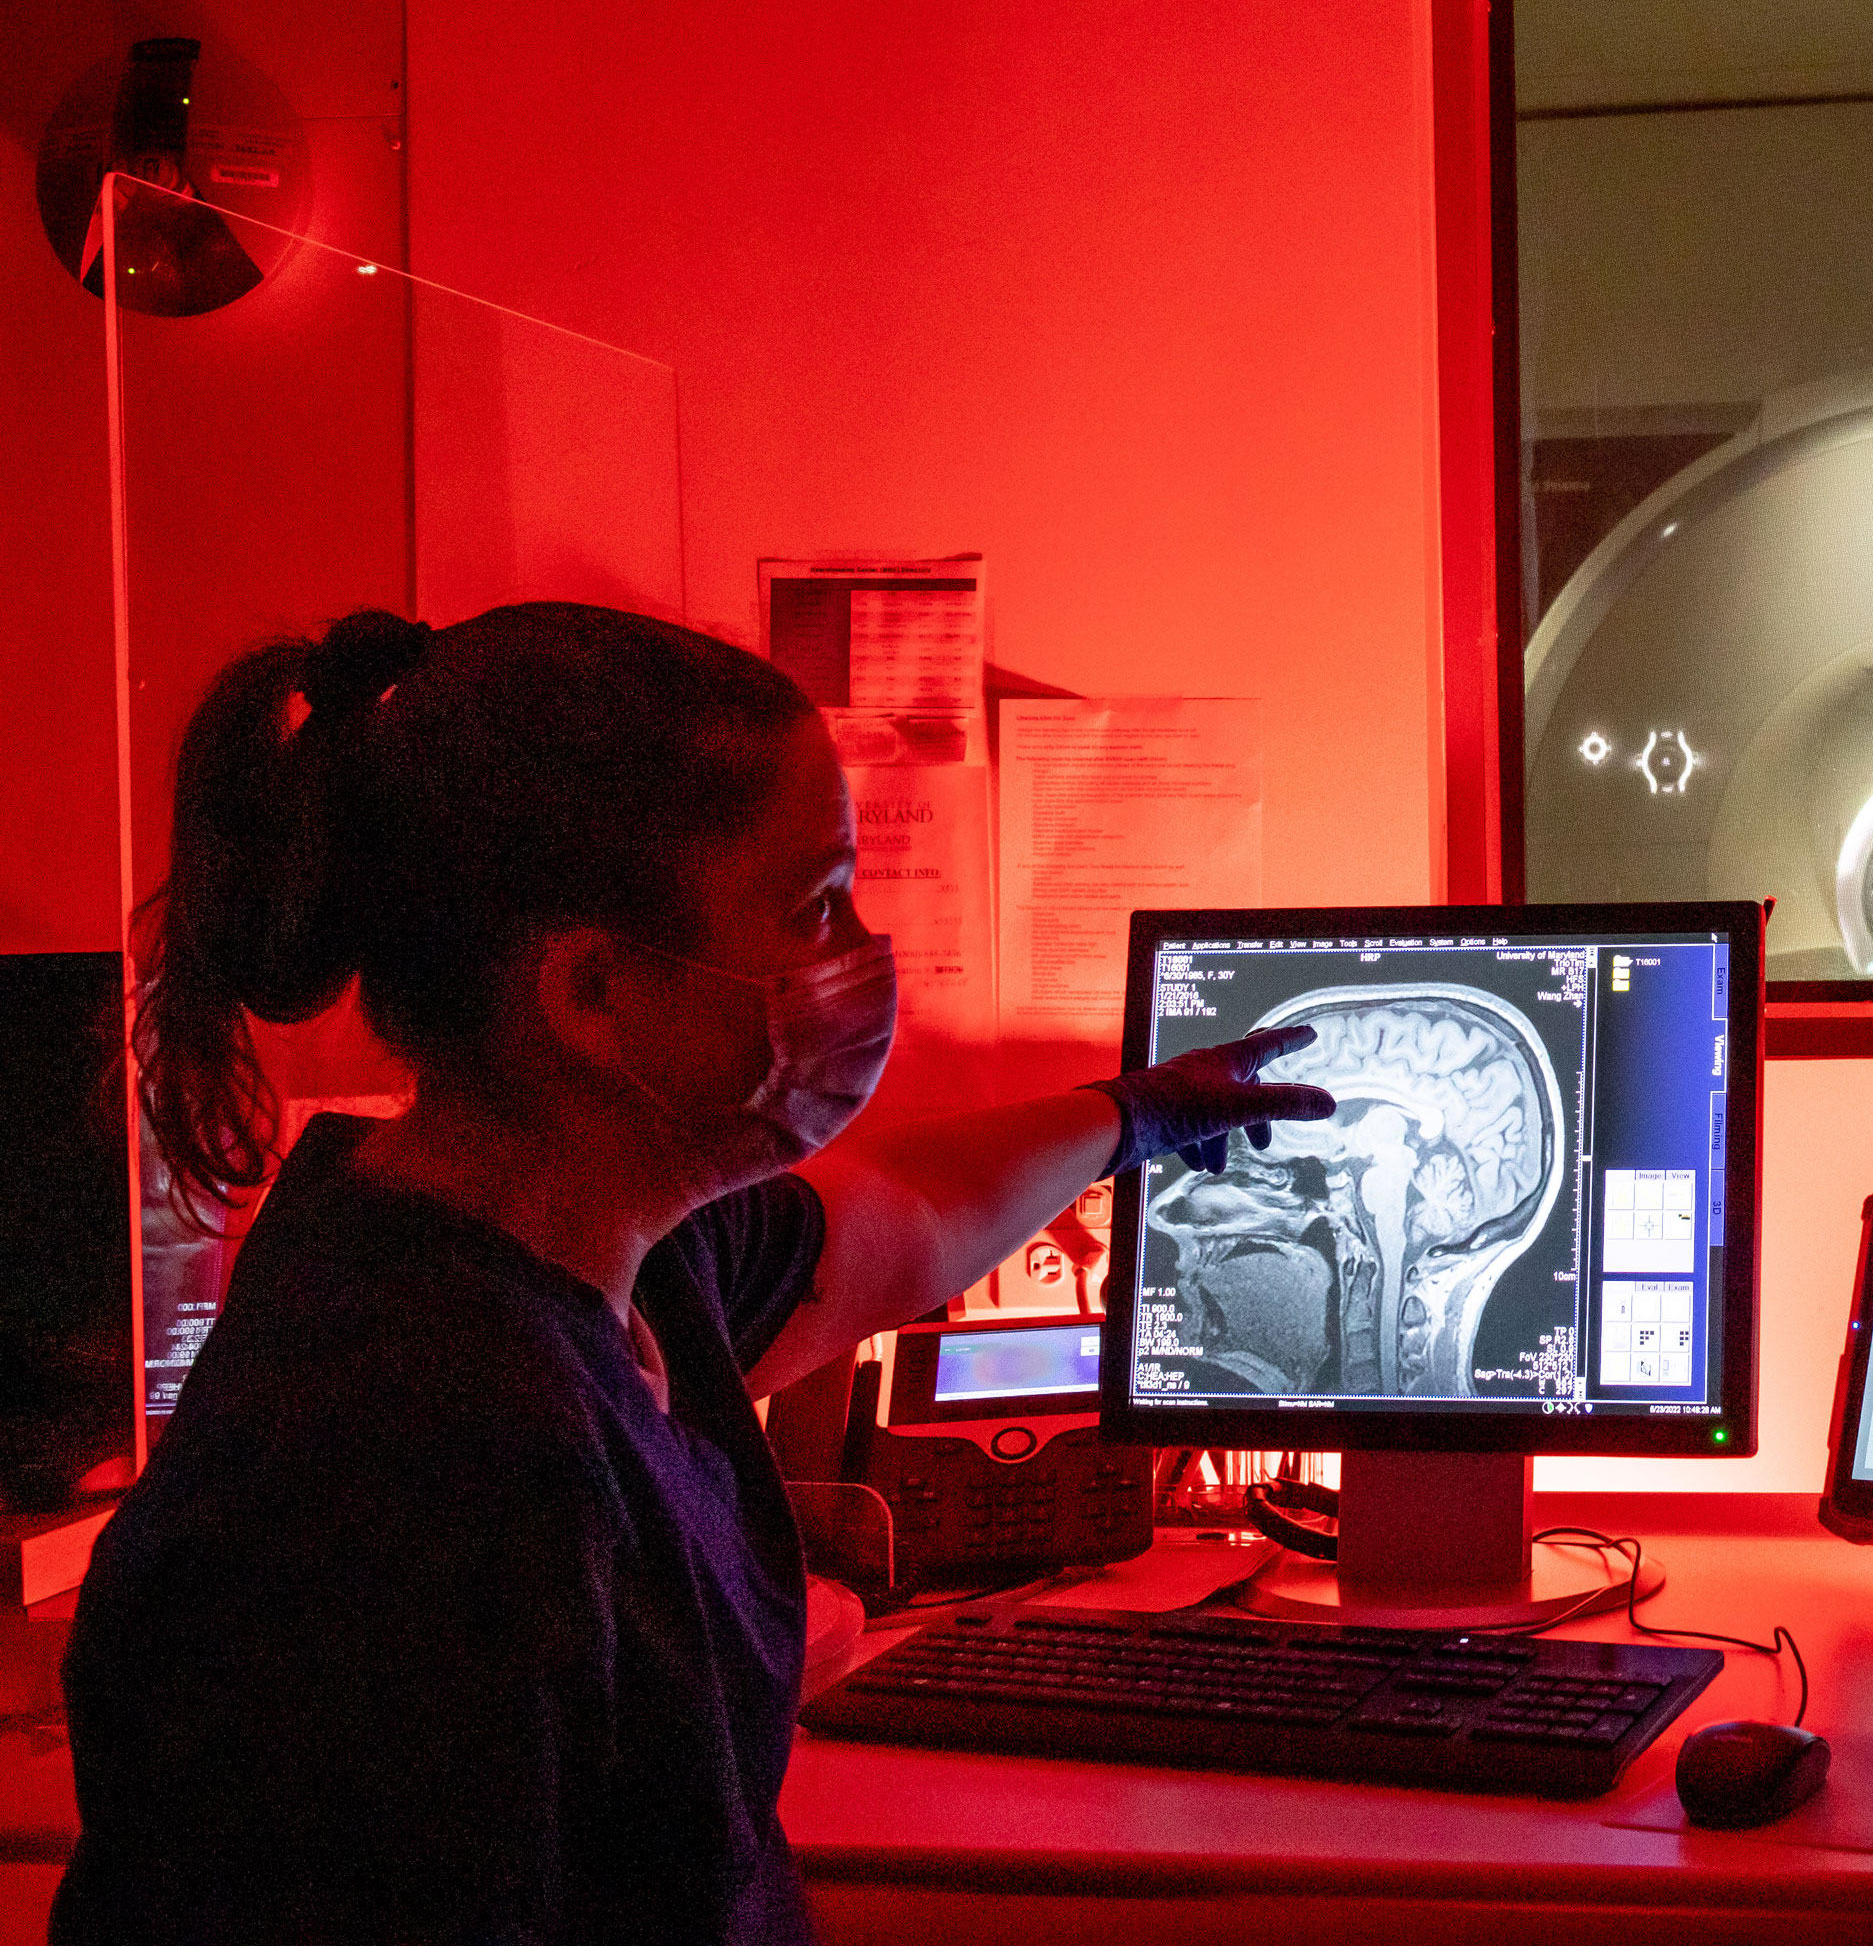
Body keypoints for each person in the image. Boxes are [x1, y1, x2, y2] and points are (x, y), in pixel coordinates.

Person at [52, 602, 1334, 1944]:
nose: (862, 955)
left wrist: (1135, 1117)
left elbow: (896, 1218)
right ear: (592, 989)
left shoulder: (599, 1256)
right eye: (813, 906)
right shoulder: (422, 1454)